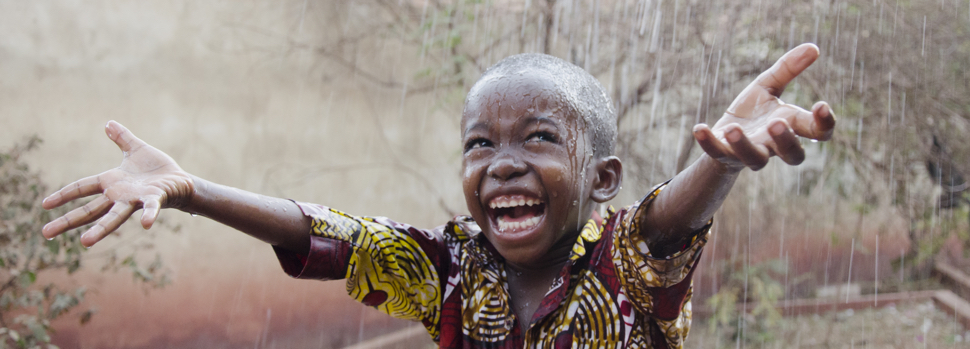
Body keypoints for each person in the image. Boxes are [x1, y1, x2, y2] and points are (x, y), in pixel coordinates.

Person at [41, 43, 835, 348]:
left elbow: (671, 219)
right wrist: (189, 190)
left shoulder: (628, 259)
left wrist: (725, 163)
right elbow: (332, 232)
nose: (502, 163)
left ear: (602, 179)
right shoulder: (453, 267)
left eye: (539, 138)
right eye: (480, 143)